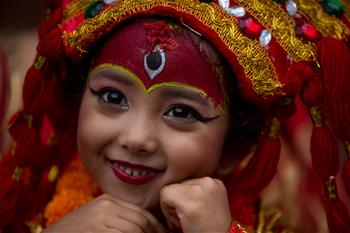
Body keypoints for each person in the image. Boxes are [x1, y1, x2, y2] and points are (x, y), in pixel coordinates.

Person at [0, 0, 350, 232]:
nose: (136, 138)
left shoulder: (267, 222)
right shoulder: (35, 215)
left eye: (181, 111)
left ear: (233, 147)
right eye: (112, 96)